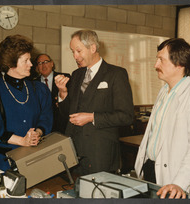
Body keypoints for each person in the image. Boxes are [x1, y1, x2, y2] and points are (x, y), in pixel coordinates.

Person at [134, 38, 190, 199]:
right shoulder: (164, 91)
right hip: (151, 170)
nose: (156, 65)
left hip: (177, 178)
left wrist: (180, 183)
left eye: (161, 60)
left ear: (179, 64)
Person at [55, 30, 134, 175]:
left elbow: (126, 116)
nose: (75, 56)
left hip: (101, 154)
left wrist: (92, 117)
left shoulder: (116, 74)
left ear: (92, 48)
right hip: (74, 152)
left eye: (78, 51)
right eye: (73, 52)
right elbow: (67, 114)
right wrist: (63, 93)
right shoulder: (76, 75)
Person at [0, 35, 53, 171]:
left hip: (33, 159)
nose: (31, 64)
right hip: (2, 162)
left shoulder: (39, 89)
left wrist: (38, 133)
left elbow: (46, 117)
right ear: (11, 63)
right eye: (26, 61)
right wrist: (21, 141)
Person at [35, 54, 70, 134]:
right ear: (37, 67)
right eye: (40, 63)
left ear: (52, 63)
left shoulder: (64, 78)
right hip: (41, 128)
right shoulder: (33, 83)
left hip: (62, 127)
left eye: (46, 62)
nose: (43, 65)